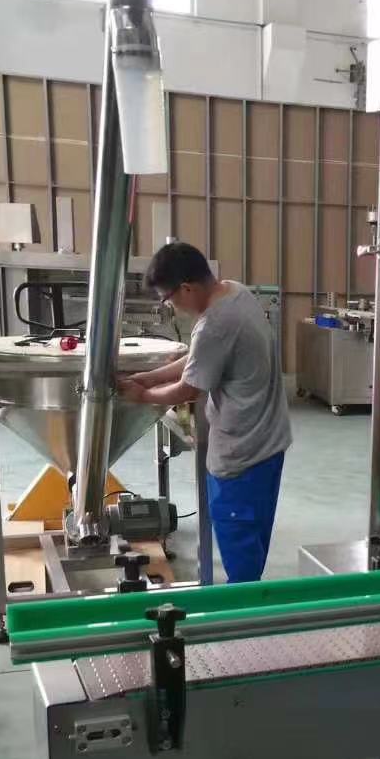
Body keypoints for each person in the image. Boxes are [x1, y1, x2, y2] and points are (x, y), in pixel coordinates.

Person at [120, 242, 292, 583]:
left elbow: (189, 389)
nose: (172, 306)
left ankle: (241, 608)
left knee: (240, 551)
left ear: (186, 288)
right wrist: (149, 378)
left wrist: (143, 397)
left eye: (168, 298)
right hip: (270, 441)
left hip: (242, 454)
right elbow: (201, 358)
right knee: (254, 538)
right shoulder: (236, 292)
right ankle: (247, 594)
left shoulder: (214, 323)